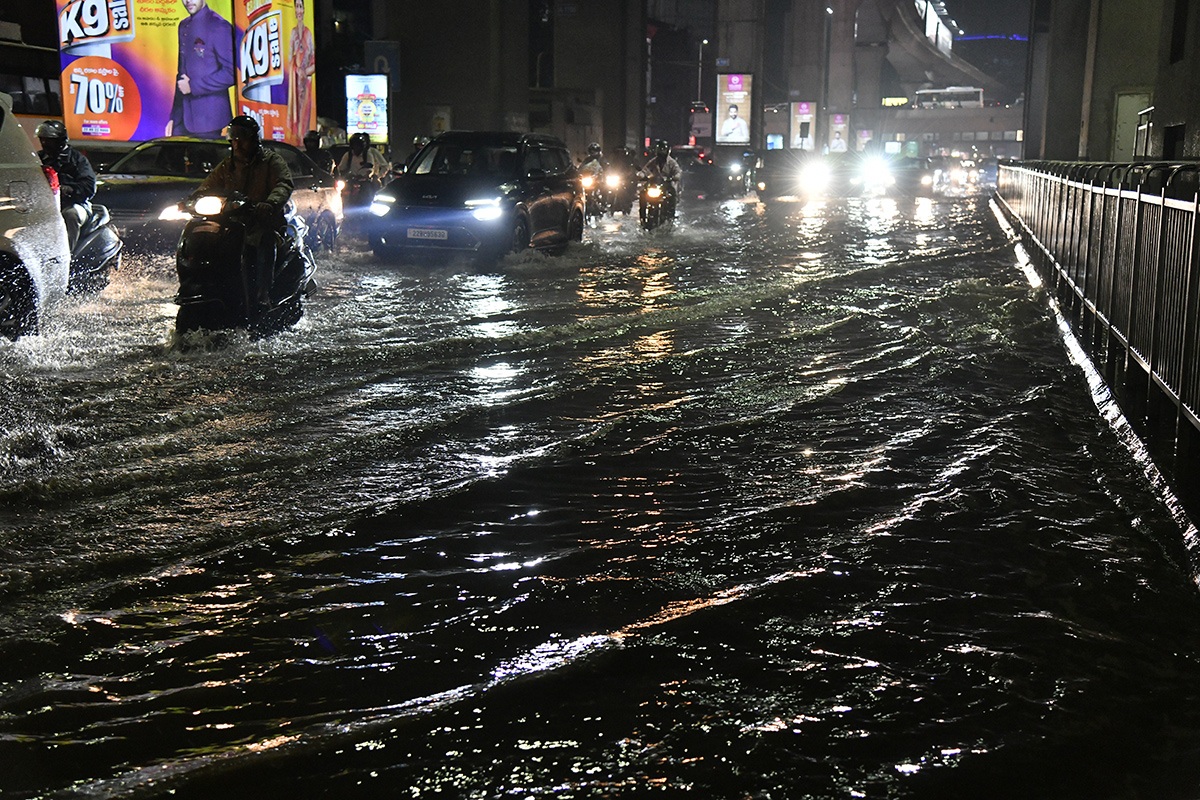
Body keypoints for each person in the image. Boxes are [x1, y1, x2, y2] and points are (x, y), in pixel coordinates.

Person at [195, 115, 294, 310]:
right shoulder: (227, 165)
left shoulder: (271, 161)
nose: (238, 145)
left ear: (255, 139)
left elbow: (284, 184)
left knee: (264, 241)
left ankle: (262, 292)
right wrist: (191, 200)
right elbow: (208, 186)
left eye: (243, 139)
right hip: (231, 222)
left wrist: (269, 204)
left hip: (262, 221)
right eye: (234, 139)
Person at [167, 0, 235, 139]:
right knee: (169, 156)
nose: (188, 1)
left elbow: (232, 73)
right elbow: (181, 74)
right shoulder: (184, 25)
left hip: (209, 119)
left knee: (204, 157)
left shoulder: (219, 26)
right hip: (183, 116)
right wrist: (174, 117)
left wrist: (193, 87)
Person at [36, 119, 95, 251]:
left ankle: (66, 257)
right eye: (43, 140)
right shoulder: (38, 159)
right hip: (46, 206)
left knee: (70, 215)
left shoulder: (77, 159)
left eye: (49, 140)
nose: (45, 144)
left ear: (60, 140)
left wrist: (69, 190)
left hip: (74, 204)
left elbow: (89, 186)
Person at [286, 0, 315, 141]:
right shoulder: (293, 33)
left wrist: (305, 71)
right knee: (295, 113)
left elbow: (313, 60)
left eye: (300, 7)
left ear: (304, 9)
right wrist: (297, 70)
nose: (298, 10)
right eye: (296, 6)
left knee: (305, 115)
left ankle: (304, 140)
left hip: (306, 82)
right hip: (295, 81)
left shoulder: (308, 33)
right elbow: (289, 56)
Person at [637, 139, 682, 218]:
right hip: (653, 184)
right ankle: (642, 215)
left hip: (667, 185)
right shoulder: (653, 161)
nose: (661, 152)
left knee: (673, 195)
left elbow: (677, 172)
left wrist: (674, 177)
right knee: (643, 193)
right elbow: (645, 170)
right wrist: (641, 175)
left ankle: (671, 216)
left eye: (663, 150)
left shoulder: (672, 162)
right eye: (660, 149)